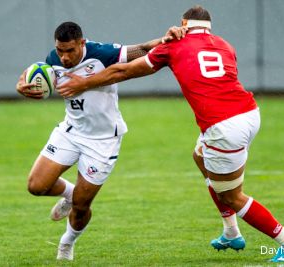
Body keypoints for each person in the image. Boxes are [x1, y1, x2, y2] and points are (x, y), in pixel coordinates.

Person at [56, 6, 284, 263]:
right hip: (250, 113)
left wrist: (82, 83)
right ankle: (231, 233)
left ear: (183, 24)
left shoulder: (174, 45)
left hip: (223, 127)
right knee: (200, 156)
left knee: (231, 195)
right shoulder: (224, 45)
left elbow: (123, 71)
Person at [16, 21, 185, 260]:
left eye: (70, 51)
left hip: (103, 141)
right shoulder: (54, 58)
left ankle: (66, 243)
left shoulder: (101, 54)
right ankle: (71, 194)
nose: (64, 57)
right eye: (60, 50)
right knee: (36, 186)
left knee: (82, 206)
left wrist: (165, 39)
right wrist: (21, 85)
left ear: (82, 43)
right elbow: (33, 73)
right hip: (71, 131)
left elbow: (142, 49)